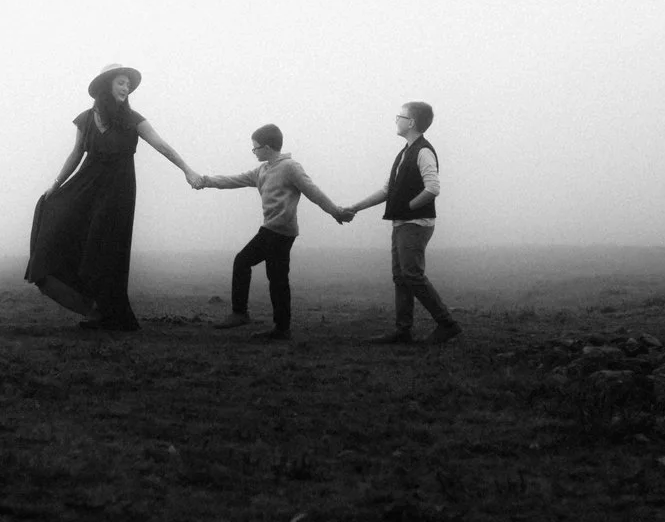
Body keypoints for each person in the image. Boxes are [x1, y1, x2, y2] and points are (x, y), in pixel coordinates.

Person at [25, 65, 198, 332]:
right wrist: (55, 185)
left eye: (128, 84)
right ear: (107, 86)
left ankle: (110, 314)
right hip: (88, 186)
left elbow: (161, 144)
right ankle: (94, 310)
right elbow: (75, 155)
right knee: (65, 231)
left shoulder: (133, 119)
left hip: (118, 190)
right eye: (121, 82)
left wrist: (187, 169)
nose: (126, 88)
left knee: (105, 252)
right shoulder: (85, 119)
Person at [188, 123, 349, 340]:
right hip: (272, 230)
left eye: (255, 148)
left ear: (267, 147)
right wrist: (205, 181)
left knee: (249, 265)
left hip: (280, 231)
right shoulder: (261, 170)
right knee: (275, 276)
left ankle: (243, 315)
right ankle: (280, 327)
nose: (253, 152)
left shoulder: (290, 167)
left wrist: (335, 212)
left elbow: (314, 192)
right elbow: (232, 180)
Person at [339, 100, 462, 343]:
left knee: (412, 275)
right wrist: (357, 207)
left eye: (400, 116)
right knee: (401, 276)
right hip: (401, 224)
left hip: (416, 224)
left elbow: (433, 188)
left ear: (412, 122)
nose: (396, 120)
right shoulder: (405, 151)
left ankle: (448, 324)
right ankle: (402, 331)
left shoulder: (423, 151)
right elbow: (388, 189)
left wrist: (409, 207)